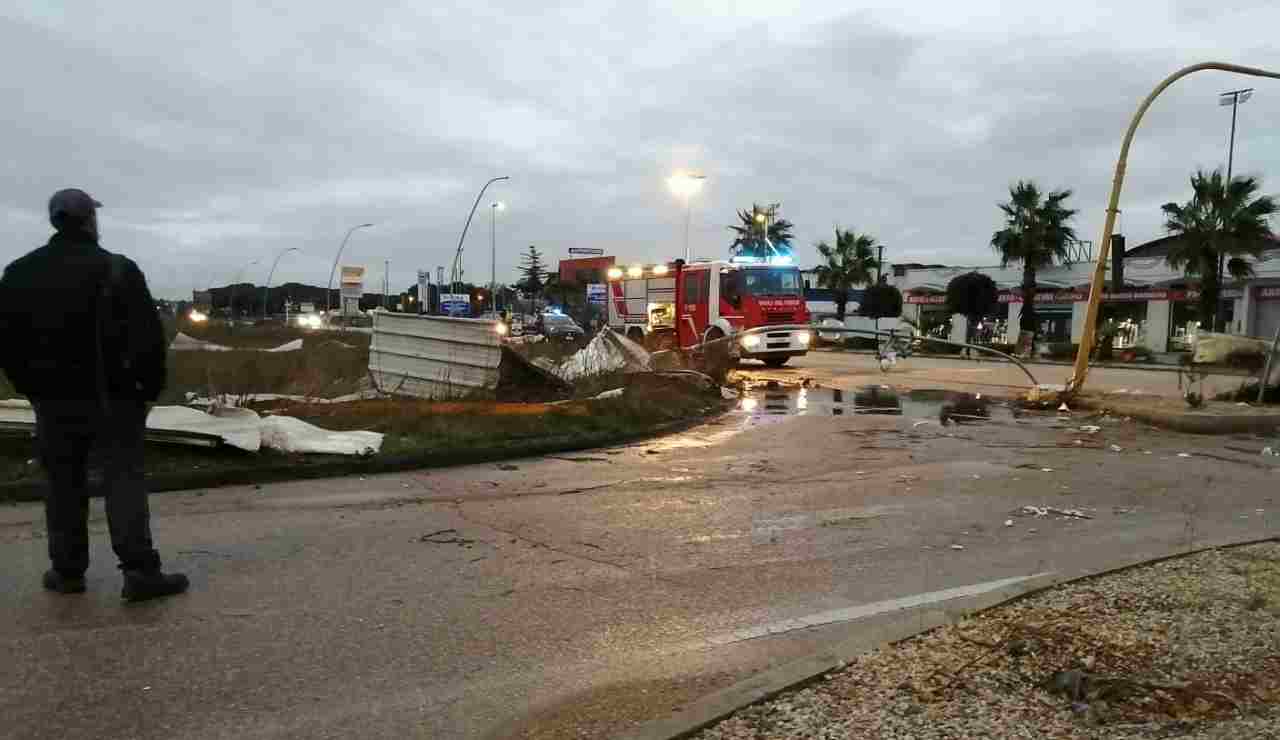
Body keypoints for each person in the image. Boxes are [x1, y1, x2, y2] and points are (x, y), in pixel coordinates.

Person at [0, 188, 188, 602]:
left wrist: (30, 388)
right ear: (89, 220)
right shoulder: (119, 270)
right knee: (123, 481)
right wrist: (147, 391)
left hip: (52, 402)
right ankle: (139, 571)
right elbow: (149, 340)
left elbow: (7, 344)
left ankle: (67, 571)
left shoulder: (18, 273)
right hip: (115, 401)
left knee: (63, 485)